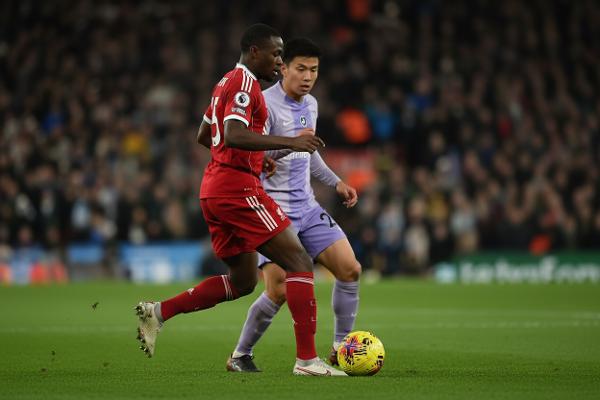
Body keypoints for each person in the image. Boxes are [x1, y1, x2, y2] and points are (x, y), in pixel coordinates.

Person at [135, 24, 345, 376]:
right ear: (254, 52)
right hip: (238, 190)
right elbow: (232, 134)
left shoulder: (225, 82)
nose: (279, 62)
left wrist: (255, 157)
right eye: (275, 54)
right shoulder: (246, 85)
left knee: (243, 281)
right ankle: (307, 360)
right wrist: (291, 142)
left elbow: (205, 134)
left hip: (214, 190)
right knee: (298, 261)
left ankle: (157, 313)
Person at [225, 38, 361, 373]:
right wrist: (288, 146)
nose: (308, 76)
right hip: (272, 210)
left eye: (314, 70)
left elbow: (308, 150)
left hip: (308, 207)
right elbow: (253, 152)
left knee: (350, 269)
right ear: (283, 68)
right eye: (301, 68)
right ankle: (240, 355)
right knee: (279, 290)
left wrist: (336, 181)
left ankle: (340, 348)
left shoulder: (311, 104)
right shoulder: (264, 104)